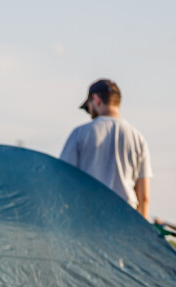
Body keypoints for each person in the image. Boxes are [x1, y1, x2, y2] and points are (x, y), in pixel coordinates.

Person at [60, 79, 153, 219]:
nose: (90, 113)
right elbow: (144, 197)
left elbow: (63, 181)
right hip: (126, 219)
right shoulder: (138, 138)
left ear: (96, 100)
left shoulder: (80, 134)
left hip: (89, 216)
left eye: (88, 108)